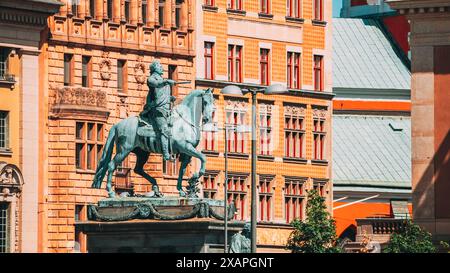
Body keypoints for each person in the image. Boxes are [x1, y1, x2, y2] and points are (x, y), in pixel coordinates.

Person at [139, 60, 176, 161]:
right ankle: (165, 154)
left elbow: (162, 95)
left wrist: (170, 98)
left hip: (166, 109)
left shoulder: (162, 79)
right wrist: (167, 81)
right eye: (159, 66)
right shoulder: (151, 79)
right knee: (163, 130)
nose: (161, 67)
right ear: (154, 68)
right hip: (156, 110)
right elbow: (157, 84)